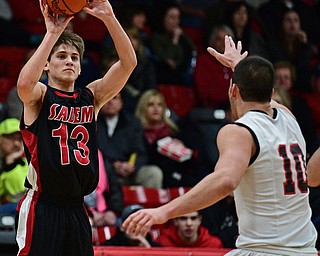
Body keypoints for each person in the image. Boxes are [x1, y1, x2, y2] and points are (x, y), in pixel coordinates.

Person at [123, 36, 318, 256]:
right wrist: (239, 67)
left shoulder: (239, 131)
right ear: (272, 93)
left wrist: (164, 212)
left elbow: (225, 181)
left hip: (267, 251)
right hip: (305, 250)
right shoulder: (288, 117)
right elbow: (261, 93)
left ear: (234, 91)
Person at [15, 0, 137, 255]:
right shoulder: (40, 97)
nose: (69, 61)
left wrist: (110, 18)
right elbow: (24, 83)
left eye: (74, 57)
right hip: (43, 205)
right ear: (46, 65)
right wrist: (52, 34)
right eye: (61, 56)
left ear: (81, 67)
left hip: (77, 207)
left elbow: (128, 64)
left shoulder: (91, 98)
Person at [97, 92, 163, 189]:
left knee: (153, 173)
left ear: (121, 102)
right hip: (103, 171)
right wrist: (113, 166)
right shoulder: (91, 122)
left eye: (114, 98)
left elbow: (141, 152)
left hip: (130, 171)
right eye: (107, 98)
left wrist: (132, 165)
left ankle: (151, 204)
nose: (110, 102)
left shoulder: (132, 123)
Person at [135, 89, 197, 188]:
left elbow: (190, 160)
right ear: (143, 108)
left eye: (159, 105)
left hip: (175, 175)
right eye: (151, 105)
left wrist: (180, 147)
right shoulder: (136, 131)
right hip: (150, 172)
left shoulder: (173, 131)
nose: (156, 108)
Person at [0, 118, 28, 214]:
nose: (16, 144)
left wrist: (11, 165)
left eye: (19, 139)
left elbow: (19, 196)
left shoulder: (27, 163)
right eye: (12, 138)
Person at [155, 210, 223, 248]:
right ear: (175, 221)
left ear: (200, 220)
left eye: (193, 218)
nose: (189, 223)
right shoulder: (162, 243)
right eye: (183, 218)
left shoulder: (214, 244)